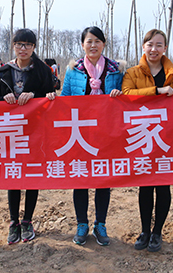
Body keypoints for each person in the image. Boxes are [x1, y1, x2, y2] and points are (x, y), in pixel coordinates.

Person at [122, 28, 173, 253]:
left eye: (159, 45)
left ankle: (158, 231)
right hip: (142, 136)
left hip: (166, 137)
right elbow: (127, 94)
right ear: (143, 47)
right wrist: (158, 91)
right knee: (145, 184)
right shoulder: (132, 73)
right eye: (150, 45)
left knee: (163, 185)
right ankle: (144, 230)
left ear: (165, 48)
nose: (154, 49)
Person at [0, 28, 56, 245]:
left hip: (36, 130)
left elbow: (52, 94)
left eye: (28, 44)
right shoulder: (4, 71)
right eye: (19, 44)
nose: (23, 48)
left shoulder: (43, 71)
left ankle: (27, 220)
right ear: (13, 46)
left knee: (32, 175)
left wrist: (35, 96)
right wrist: (3, 98)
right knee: (14, 175)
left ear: (34, 47)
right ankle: (13, 221)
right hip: (12, 132)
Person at [60, 26, 124, 246]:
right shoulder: (73, 70)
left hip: (106, 133)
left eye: (97, 41)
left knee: (103, 179)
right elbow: (65, 99)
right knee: (81, 178)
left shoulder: (116, 69)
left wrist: (119, 95)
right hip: (80, 134)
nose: (93, 45)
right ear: (82, 44)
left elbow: (127, 100)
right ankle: (81, 224)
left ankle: (100, 224)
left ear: (104, 44)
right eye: (89, 41)